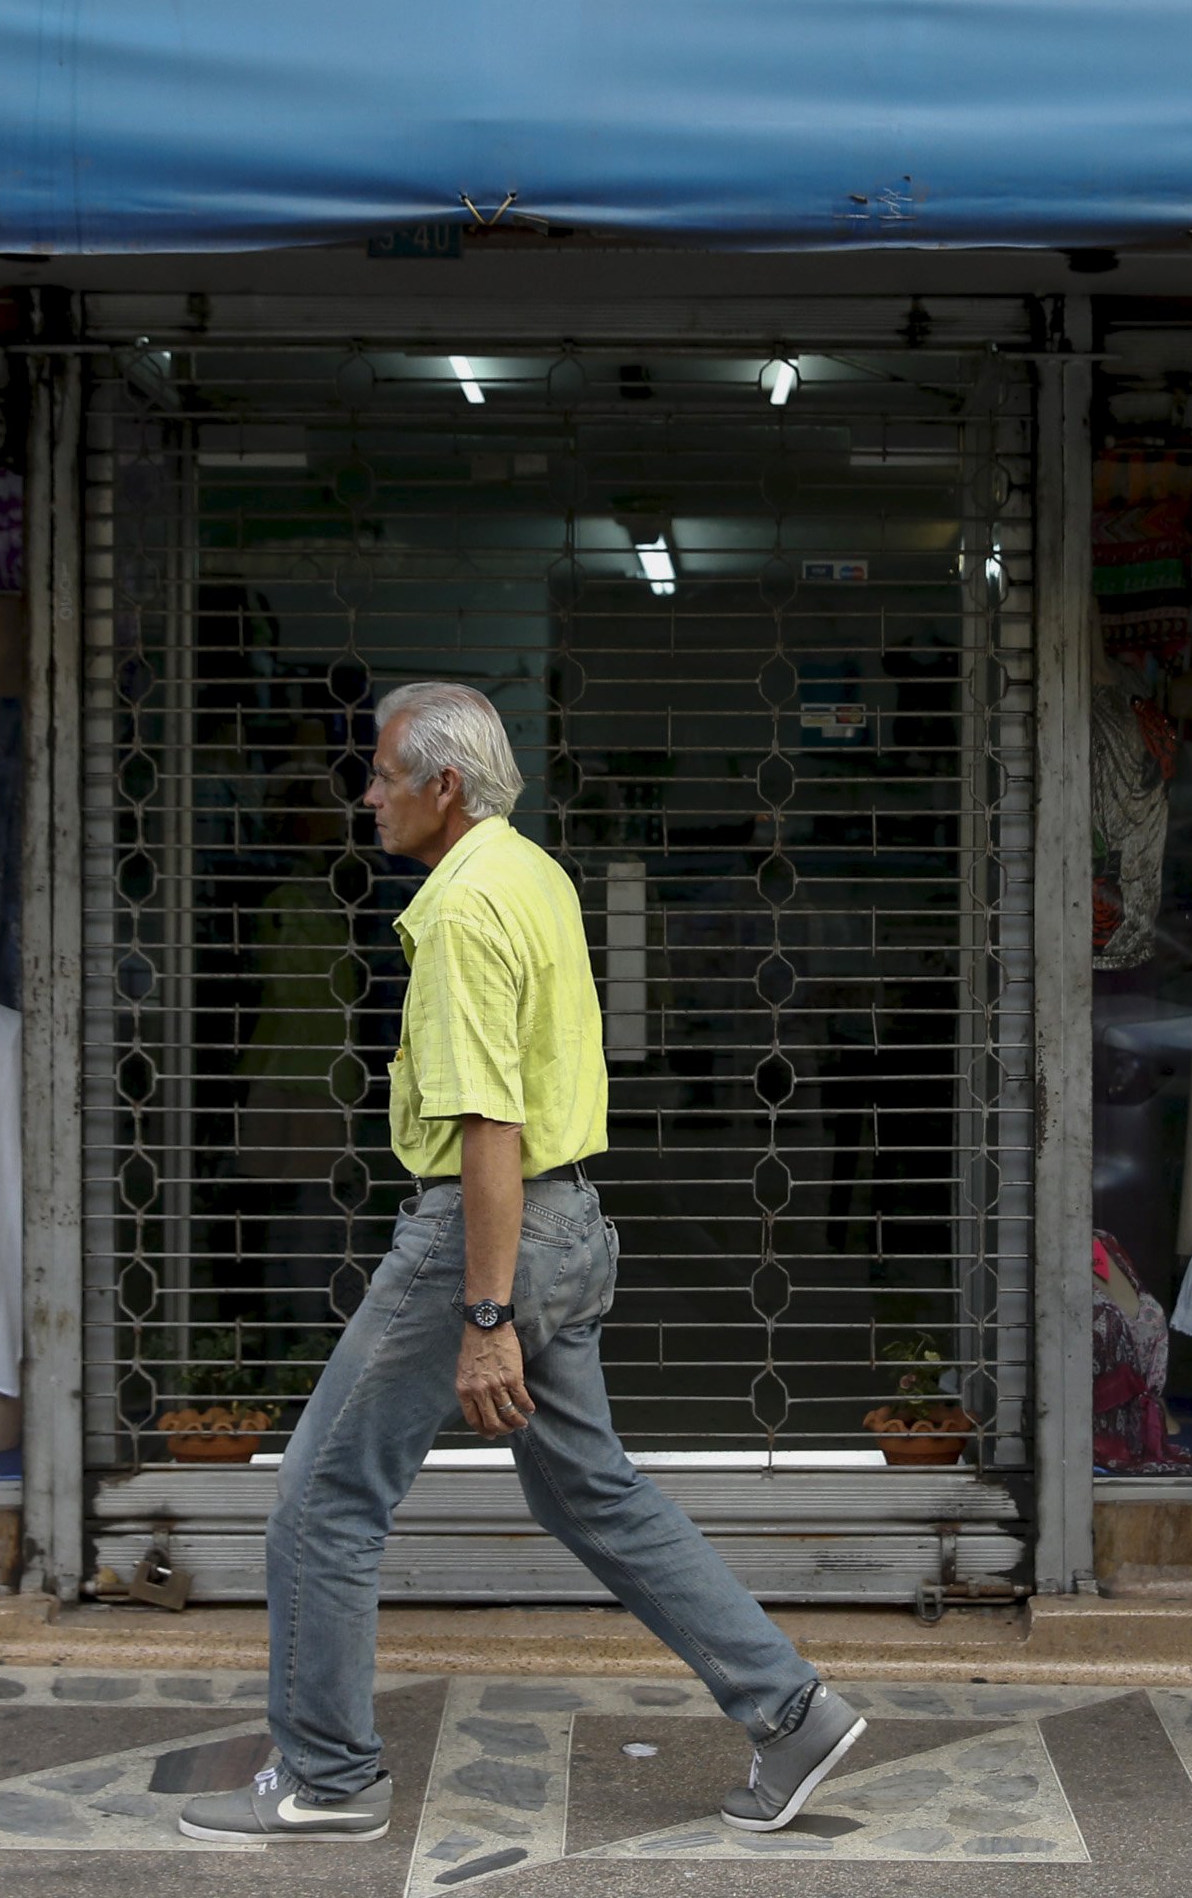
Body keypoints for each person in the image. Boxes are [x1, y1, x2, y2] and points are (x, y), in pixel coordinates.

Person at [180, 682, 868, 1844]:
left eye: (384, 774)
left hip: (483, 1235)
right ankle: (789, 1707)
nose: (366, 794)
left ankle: (326, 1778)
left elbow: (487, 1125)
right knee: (587, 1487)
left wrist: (484, 1310)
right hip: (570, 1223)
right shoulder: (532, 870)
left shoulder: (457, 909)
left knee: (322, 1498)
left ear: (442, 787)